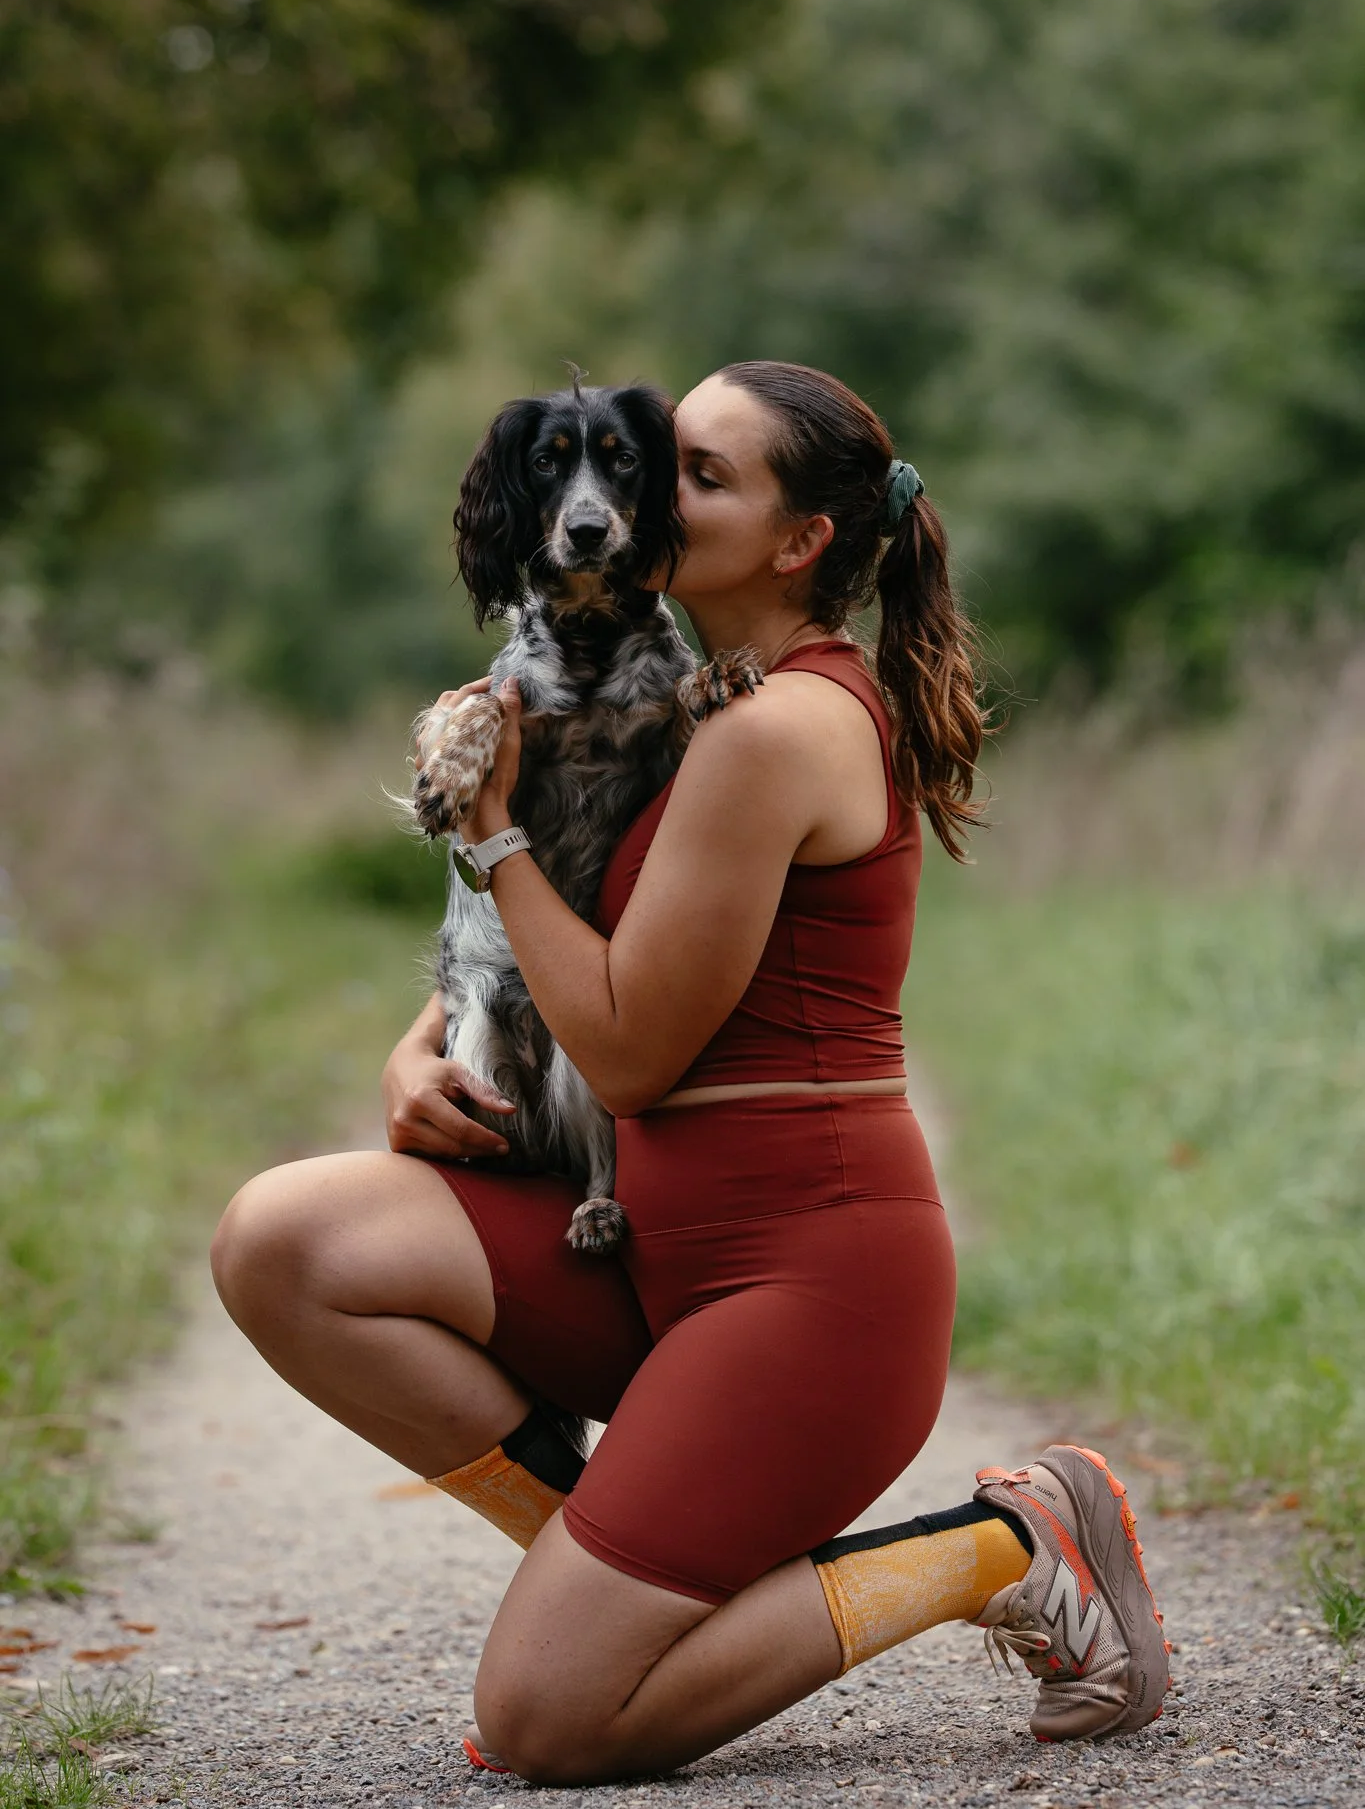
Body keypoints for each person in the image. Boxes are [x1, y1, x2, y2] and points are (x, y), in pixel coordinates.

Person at [211, 361, 1168, 1784]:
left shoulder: (770, 733)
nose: (647, 496)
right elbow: (566, 935)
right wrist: (424, 1046)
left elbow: (629, 1040)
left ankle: (1011, 1542)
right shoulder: (689, 703)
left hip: (803, 1295)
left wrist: (490, 839)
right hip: (652, 1250)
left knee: (548, 1721)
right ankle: (649, 1585)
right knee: (282, 1241)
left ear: (802, 545)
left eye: (697, 477)